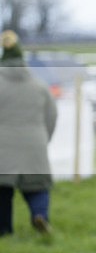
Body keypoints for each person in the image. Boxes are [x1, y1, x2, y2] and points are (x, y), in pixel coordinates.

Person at [0, 30, 58, 236]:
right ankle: (39, 215)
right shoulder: (39, 86)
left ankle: (4, 230)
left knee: (2, 190)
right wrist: (43, 139)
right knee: (37, 186)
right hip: (34, 143)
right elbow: (52, 116)